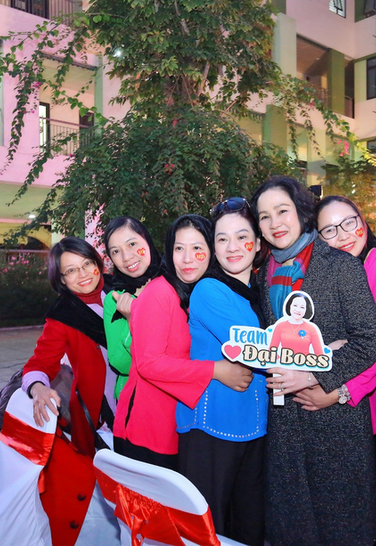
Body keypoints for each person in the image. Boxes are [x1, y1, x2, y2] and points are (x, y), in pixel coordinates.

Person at [251, 176, 376, 546]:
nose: (274, 222)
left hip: (335, 421)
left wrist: (313, 371)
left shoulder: (339, 265)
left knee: (341, 525)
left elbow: (369, 340)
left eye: (282, 211)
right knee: (293, 525)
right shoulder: (266, 275)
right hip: (284, 419)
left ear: (300, 212)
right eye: (264, 217)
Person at [297, 195, 376, 546]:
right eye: (330, 230)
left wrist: (337, 392)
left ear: (363, 223)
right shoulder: (341, 272)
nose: (344, 234)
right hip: (359, 408)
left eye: (350, 222)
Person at [112, 214, 254, 470]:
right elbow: (149, 364)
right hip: (148, 432)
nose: (187, 259)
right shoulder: (159, 292)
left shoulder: (197, 292)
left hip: (178, 425)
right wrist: (217, 370)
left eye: (197, 248)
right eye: (179, 248)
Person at [176, 198, 268, 546]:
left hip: (255, 427)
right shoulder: (209, 289)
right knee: (207, 530)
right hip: (211, 427)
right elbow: (256, 347)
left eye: (242, 236)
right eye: (222, 239)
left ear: (258, 243)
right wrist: (318, 355)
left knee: (249, 527)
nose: (232, 247)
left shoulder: (260, 291)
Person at [21, 237, 118, 546]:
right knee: (108, 500)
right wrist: (37, 388)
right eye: (72, 270)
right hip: (103, 422)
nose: (84, 274)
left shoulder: (123, 290)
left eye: (87, 264)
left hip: (144, 408)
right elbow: (39, 362)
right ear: (60, 279)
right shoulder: (63, 315)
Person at [102, 216, 162, 400]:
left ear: (147, 240)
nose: (127, 257)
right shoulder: (115, 298)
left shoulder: (173, 285)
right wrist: (131, 319)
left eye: (132, 244)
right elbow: (120, 362)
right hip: (135, 400)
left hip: (178, 399)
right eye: (116, 251)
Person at [268, 292, 324, 357]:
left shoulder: (312, 328)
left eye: (302, 307)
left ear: (306, 310)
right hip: (283, 365)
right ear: (290, 306)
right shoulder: (280, 326)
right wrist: (281, 362)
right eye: (295, 305)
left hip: (305, 365)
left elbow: (320, 356)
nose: (298, 310)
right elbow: (271, 351)